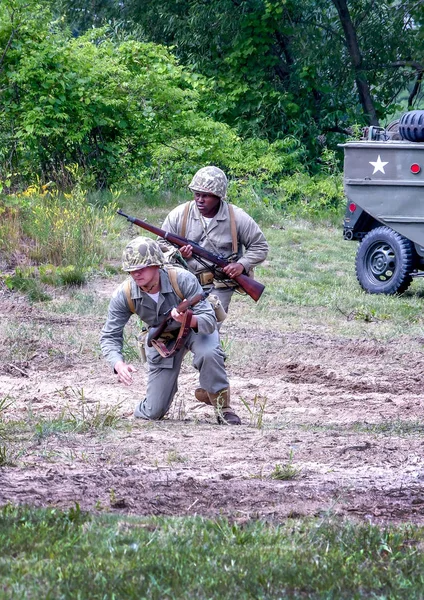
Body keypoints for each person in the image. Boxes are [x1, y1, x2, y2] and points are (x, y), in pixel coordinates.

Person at [100, 236, 241, 425]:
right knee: (153, 412)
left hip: (195, 330)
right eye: (131, 270)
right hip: (163, 340)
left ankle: (223, 407)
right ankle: (152, 404)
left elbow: (209, 321)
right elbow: (110, 335)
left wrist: (188, 320)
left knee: (209, 353)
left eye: (141, 268)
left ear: (157, 265)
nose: (136, 274)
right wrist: (118, 364)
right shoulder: (124, 294)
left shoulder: (182, 279)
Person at [160, 165, 269, 314]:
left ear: (219, 196)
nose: (200, 200)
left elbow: (260, 246)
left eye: (206, 195)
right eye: (196, 194)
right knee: (176, 326)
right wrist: (177, 253)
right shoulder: (180, 214)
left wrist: (241, 265)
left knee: (207, 329)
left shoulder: (237, 217)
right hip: (182, 282)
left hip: (218, 286)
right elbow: (160, 244)